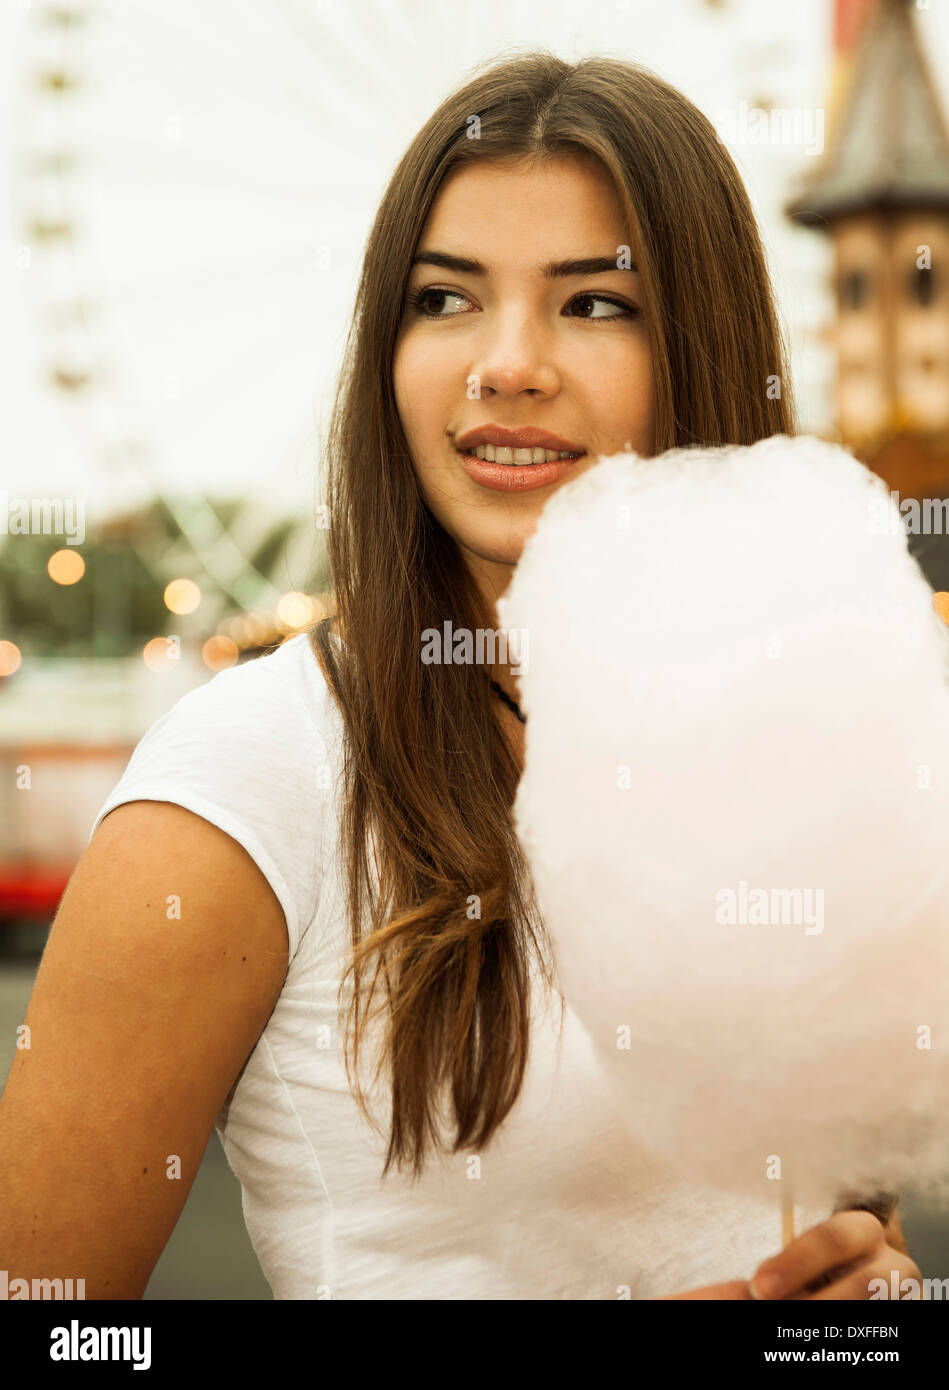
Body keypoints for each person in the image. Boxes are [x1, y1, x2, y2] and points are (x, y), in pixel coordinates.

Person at [0, 50, 918, 1300]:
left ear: (703, 341)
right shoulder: (244, 789)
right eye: (445, 298)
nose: (507, 363)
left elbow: (826, 1219)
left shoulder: (806, 739)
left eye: (593, 303)